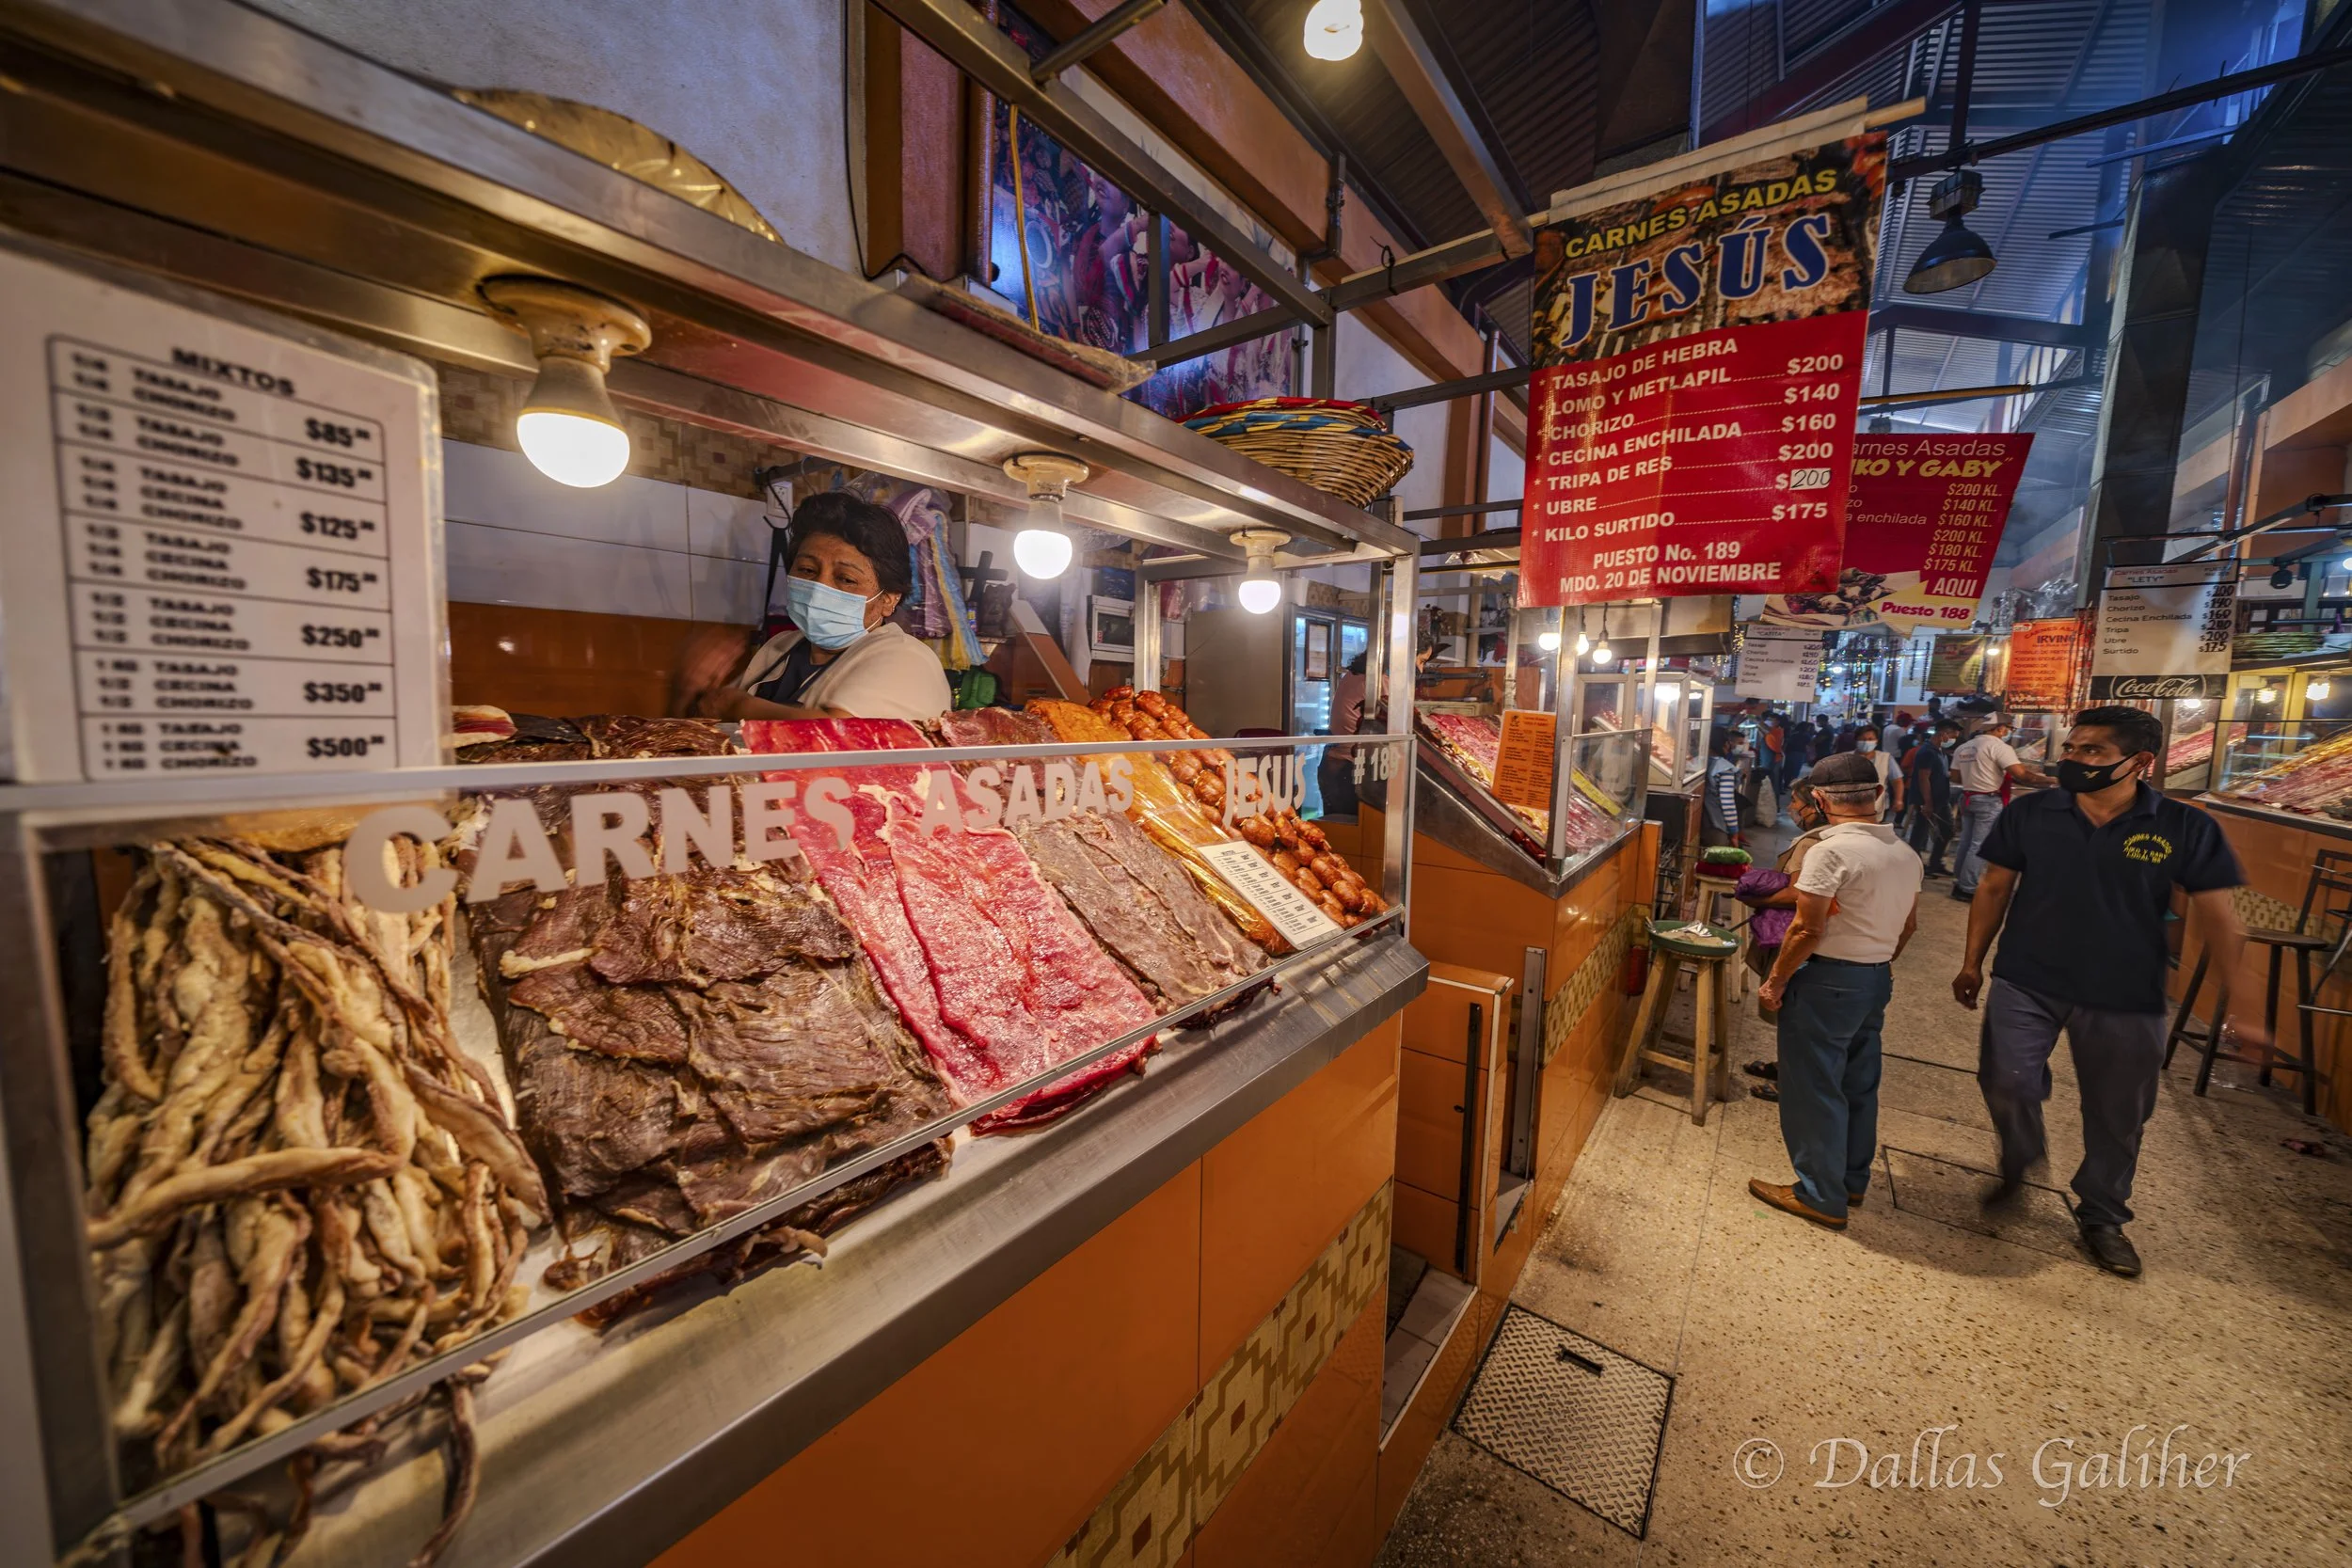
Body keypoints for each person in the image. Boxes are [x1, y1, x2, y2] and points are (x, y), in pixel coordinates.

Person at [1954, 706, 2265, 1277]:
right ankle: (2020, 1156)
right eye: (2072, 748)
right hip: (2028, 976)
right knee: (2006, 1078)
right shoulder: (2032, 813)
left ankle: (2102, 1213)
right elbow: (1995, 886)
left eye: (2092, 752)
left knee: (2119, 1113)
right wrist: (1972, 961)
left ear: (2140, 763)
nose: (2073, 759)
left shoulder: (2185, 826)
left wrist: (2243, 1013)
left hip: (2125, 989)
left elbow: (2221, 919)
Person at [1749, 752, 1924, 1229]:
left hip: (1825, 980)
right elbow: (1908, 926)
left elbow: (1807, 929)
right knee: (1859, 1083)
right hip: (1874, 979)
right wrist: (1876, 963)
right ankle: (1850, 1180)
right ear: (1880, 796)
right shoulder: (1905, 854)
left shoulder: (1831, 852)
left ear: (1821, 800)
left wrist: (1776, 981)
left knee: (1813, 1088)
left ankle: (1818, 1194)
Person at [677, 491, 952, 723]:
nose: (820, 586)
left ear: (888, 599)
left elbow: (838, 737)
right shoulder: (780, 647)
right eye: (807, 570)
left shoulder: (906, 658)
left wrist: (739, 708)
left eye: (845, 579)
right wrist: (693, 687)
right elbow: (712, 713)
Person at [1948, 714, 2056, 900]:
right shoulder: (1998, 747)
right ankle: (1967, 888)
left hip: (1968, 798)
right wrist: (2054, 780)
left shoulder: (1963, 747)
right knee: (1979, 845)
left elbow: (1956, 778)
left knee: (1966, 842)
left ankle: (1960, 880)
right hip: (1988, 800)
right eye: (2008, 729)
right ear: (1999, 728)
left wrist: (1978, 774)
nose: (2007, 733)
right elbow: (2023, 775)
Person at [1906, 719, 1962, 877]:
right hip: (1929, 800)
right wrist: (1927, 803)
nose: (1953, 740)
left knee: (1946, 831)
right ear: (1943, 733)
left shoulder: (1939, 752)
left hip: (1940, 799)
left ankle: (1934, 863)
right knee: (1921, 833)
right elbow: (1924, 778)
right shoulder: (1927, 752)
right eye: (1952, 736)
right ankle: (1913, 868)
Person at [1702, 726, 1744, 848]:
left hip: (1696, 821)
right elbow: (1727, 803)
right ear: (1725, 744)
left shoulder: (1696, 762)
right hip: (1714, 823)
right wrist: (1734, 831)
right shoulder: (1725, 768)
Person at [1851, 723, 1903, 822]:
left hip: (1877, 807)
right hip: (1849, 807)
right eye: (1862, 739)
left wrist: (1898, 800)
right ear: (1856, 740)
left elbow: (1897, 781)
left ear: (1876, 741)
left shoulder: (1886, 758)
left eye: (1870, 739)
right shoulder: (1845, 758)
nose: (1866, 742)